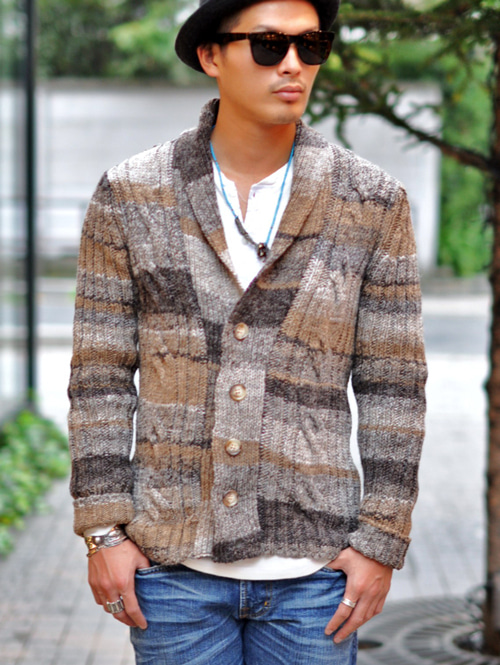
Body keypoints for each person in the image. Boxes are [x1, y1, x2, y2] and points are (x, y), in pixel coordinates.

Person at [68, 0, 427, 662]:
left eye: (311, 46)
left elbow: (393, 385)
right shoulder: (131, 194)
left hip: (317, 580)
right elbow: (100, 376)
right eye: (268, 45)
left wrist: (381, 541)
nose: (293, 64)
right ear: (211, 55)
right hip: (172, 573)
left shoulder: (371, 203)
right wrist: (103, 532)